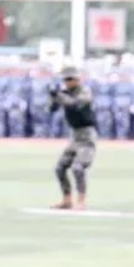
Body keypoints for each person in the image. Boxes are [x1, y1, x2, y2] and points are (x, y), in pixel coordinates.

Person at [48, 66, 96, 210]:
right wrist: (53, 96)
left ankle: (81, 200)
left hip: (87, 135)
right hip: (74, 135)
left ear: (77, 80)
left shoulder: (85, 92)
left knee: (78, 167)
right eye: (65, 80)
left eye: (70, 79)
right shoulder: (65, 93)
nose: (67, 82)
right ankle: (67, 199)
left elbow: (75, 104)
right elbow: (51, 109)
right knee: (60, 168)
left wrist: (60, 96)